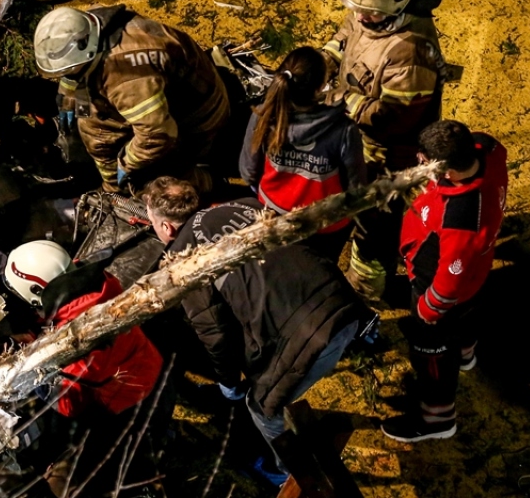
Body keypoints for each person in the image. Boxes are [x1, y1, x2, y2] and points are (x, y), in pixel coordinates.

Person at [140, 177, 373, 482]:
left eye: (153, 222)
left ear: (167, 227)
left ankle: (287, 473)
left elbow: (216, 334)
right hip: (343, 302)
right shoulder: (244, 205)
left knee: (262, 409)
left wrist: (227, 383)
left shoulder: (185, 260)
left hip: (313, 336)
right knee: (267, 375)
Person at [0, 236, 167, 496]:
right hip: (144, 360)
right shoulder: (85, 278)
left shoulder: (83, 349)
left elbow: (67, 407)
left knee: (89, 470)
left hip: (126, 396)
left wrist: (23, 363)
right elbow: (29, 273)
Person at [320, 0, 446, 302]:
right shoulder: (371, 12)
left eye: (369, 12)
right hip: (356, 140)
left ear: (398, 1)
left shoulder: (410, 51)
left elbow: (391, 119)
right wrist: (323, 60)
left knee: (375, 225)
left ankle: (367, 290)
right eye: (356, 8)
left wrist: (337, 96)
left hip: (389, 154)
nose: (361, 16)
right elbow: (345, 36)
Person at [381, 120, 508, 442]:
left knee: (431, 351)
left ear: (447, 172)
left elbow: (452, 274)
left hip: (439, 286)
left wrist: (429, 307)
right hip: (476, 277)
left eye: (425, 162)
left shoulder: (460, 217)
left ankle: (438, 417)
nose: (420, 164)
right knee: (467, 314)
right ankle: (466, 352)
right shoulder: (487, 148)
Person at [33, 4, 231, 195]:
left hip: (198, 115)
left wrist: (127, 163)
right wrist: (67, 94)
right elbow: (75, 69)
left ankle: (210, 182)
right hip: (174, 91)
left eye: (68, 72)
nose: (66, 76)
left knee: (161, 183)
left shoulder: (126, 77)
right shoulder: (90, 24)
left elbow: (157, 134)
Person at [239, 46, 366, 259]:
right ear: (320, 87)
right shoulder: (343, 130)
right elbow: (357, 189)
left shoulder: (264, 115)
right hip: (325, 226)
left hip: (272, 216)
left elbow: (248, 172)